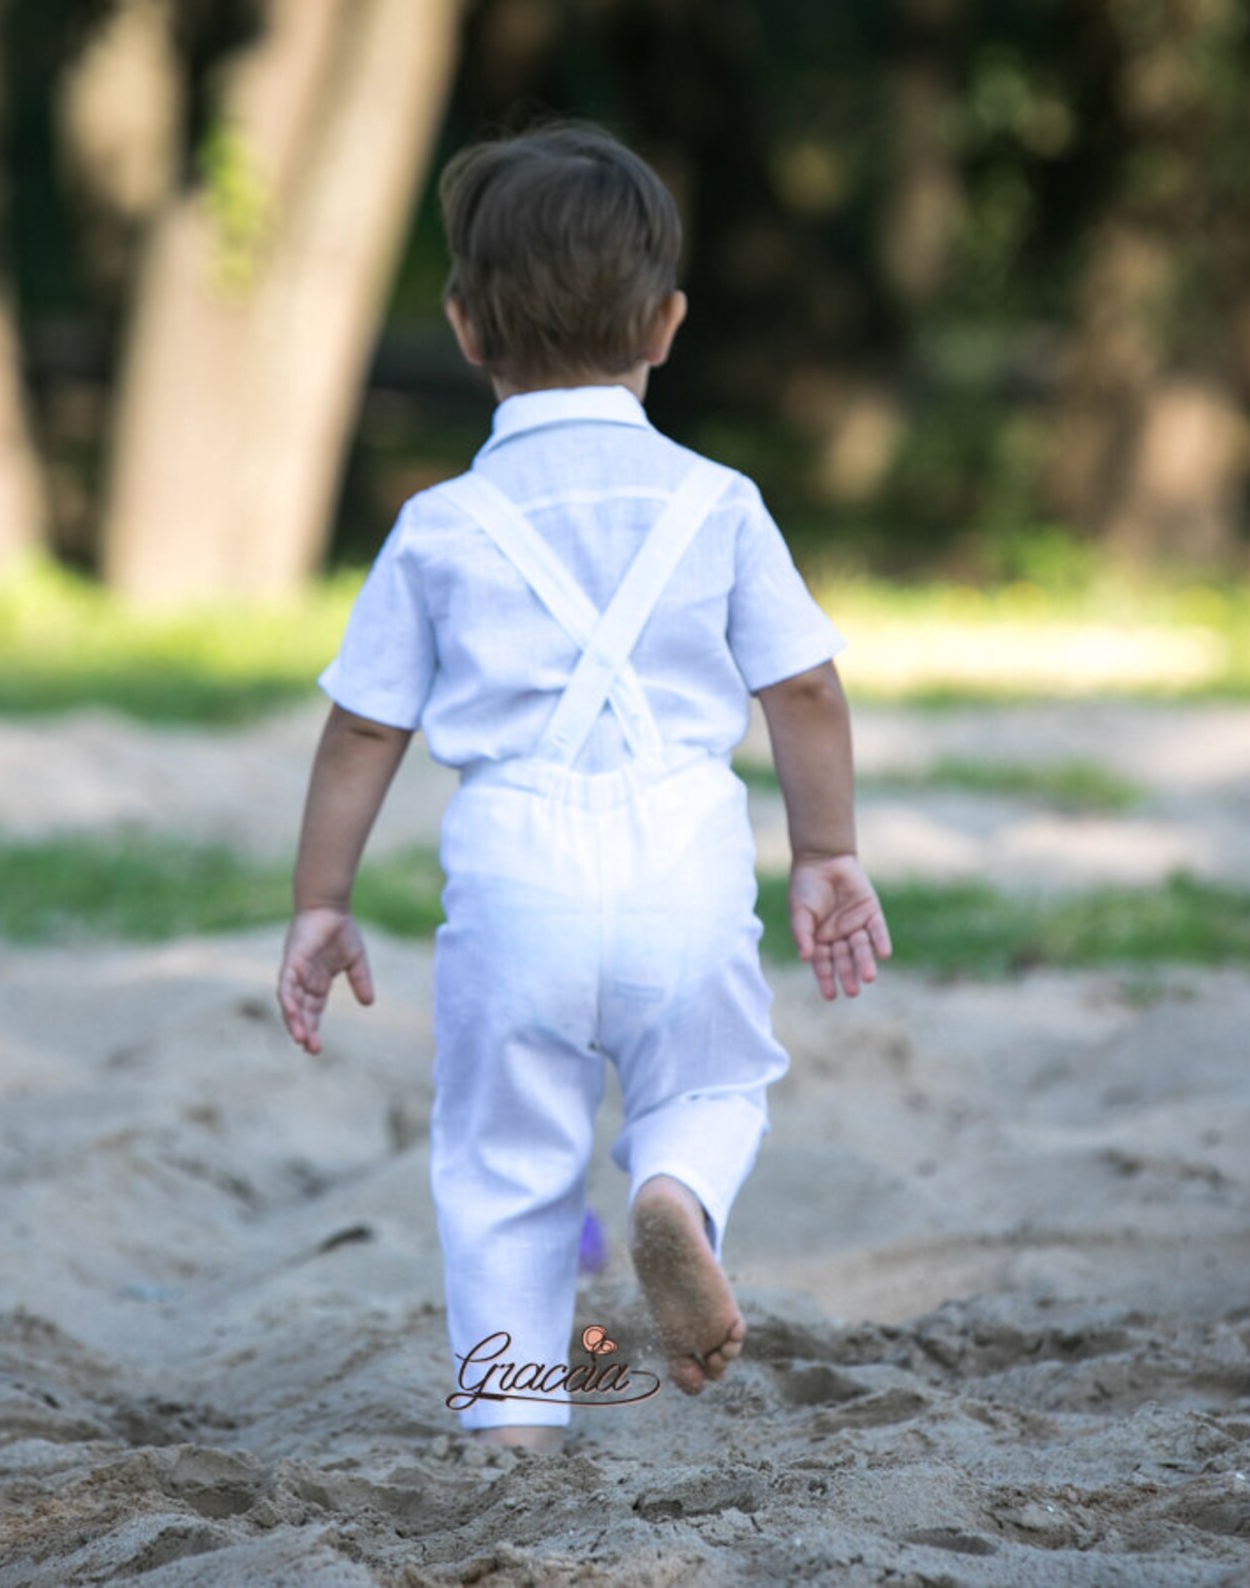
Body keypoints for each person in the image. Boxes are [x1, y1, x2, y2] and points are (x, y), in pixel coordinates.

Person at [277, 122, 890, 1453]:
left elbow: (361, 732)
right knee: (715, 1084)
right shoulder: (719, 502)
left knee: (505, 1162)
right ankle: (673, 1188)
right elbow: (807, 689)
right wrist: (826, 852)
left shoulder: (439, 526)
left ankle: (515, 1425)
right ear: (665, 324)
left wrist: (321, 901)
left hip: (515, 872)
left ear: (461, 327)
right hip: (684, 853)